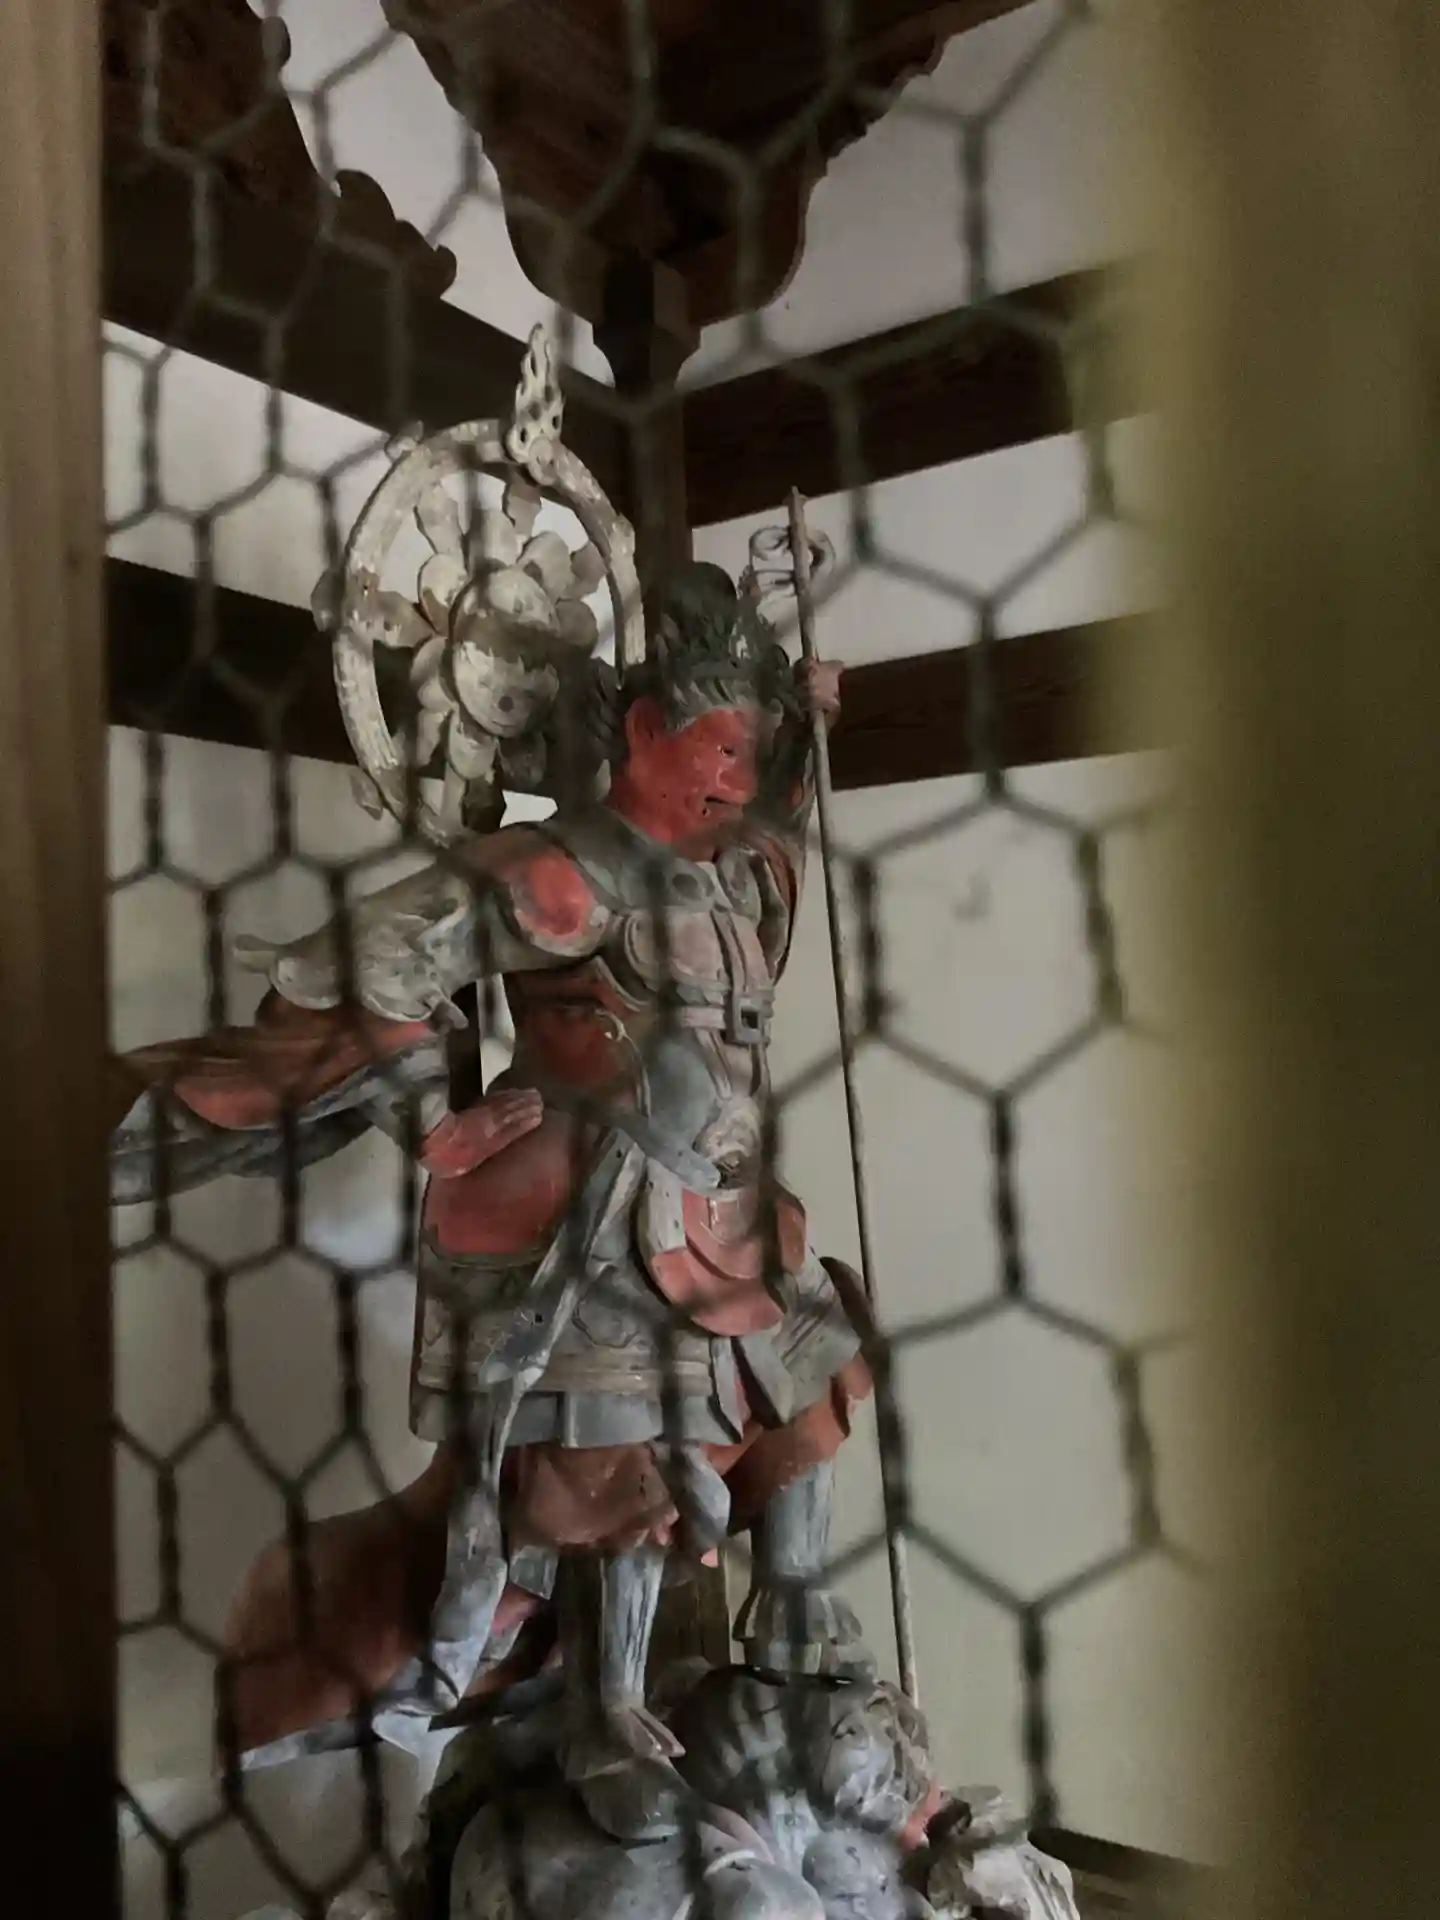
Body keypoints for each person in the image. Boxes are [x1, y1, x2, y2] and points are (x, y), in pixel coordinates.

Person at [112, 562, 872, 1832]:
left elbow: (778, 850)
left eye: (754, 756)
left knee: (821, 1357)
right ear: (645, 728)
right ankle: (605, 1711)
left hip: (728, 1209)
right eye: (722, 749)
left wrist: (811, 727)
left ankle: (792, 1611)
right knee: (622, 1464)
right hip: (594, 1216)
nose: (738, 779)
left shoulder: (732, 871)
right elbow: (377, 959)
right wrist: (434, 1119)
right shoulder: (564, 871)